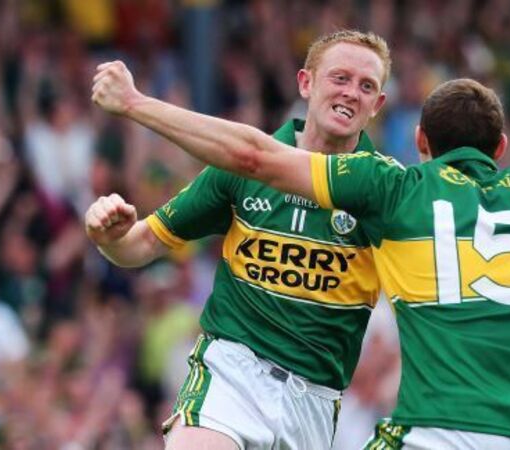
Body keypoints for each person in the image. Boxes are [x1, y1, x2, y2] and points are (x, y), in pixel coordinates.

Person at [93, 74, 510, 447]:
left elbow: (253, 155)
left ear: (420, 141)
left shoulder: (394, 191)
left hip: (445, 429)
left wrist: (137, 104)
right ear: (501, 149)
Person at [86, 30, 392, 450]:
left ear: (378, 105)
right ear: (306, 83)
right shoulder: (238, 169)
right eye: (340, 78)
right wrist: (108, 238)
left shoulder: (387, 189)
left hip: (315, 401)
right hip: (233, 374)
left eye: (367, 86)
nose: (351, 93)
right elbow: (139, 246)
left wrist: (133, 102)